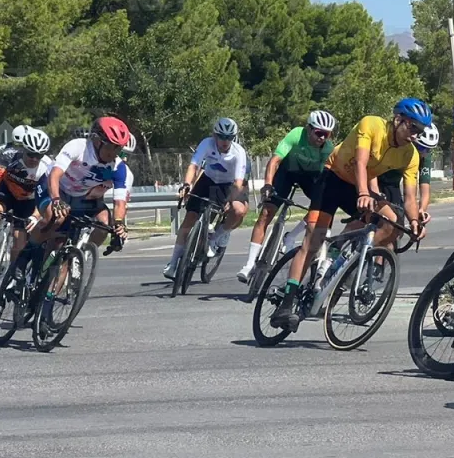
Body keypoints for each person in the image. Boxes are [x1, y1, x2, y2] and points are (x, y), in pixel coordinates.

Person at [270, 97, 432, 331]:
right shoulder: (372, 125)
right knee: (313, 240)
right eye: (413, 127)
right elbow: (360, 163)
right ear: (398, 120)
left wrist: (416, 222)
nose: (416, 135)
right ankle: (285, 304)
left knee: (393, 223)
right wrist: (364, 193)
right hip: (333, 178)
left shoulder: (410, 154)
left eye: (420, 130)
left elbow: (409, 197)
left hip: (360, 186)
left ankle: (348, 262)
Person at [237, 111, 337, 283]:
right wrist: (267, 185)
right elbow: (274, 161)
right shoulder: (296, 134)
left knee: (323, 209)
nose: (322, 138)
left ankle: (291, 236)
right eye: (319, 133)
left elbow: (326, 179)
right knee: (266, 213)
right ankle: (249, 264)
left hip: (311, 176)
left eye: (326, 134)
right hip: (288, 173)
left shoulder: (328, 148)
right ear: (309, 129)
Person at [0, 126, 54, 297]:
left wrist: (35, 217)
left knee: (19, 239)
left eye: (38, 156)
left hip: (29, 202)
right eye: (30, 154)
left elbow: (46, 197)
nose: (34, 159)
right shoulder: (9, 156)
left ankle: (13, 273)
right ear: (23, 149)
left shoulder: (47, 167)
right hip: (7, 192)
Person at [164, 118, 249, 279]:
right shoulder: (207, 143)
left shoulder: (239, 152)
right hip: (208, 179)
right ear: (214, 135)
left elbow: (238, 183)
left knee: (237, 210)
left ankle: (216, 239)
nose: (225, 141)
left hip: (229, 184)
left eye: (229, 137)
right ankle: (173, 263)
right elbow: (194, 166)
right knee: (189, 219)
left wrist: (231, 200)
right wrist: (186, 185)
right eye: (221, 136)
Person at [37, 115, 131, 251]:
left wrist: (118, 224)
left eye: (118, 149)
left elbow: (119, 203)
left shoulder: (118, 167)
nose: (114, 153)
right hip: (52, 187)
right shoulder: (78, 147)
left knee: (103, 225)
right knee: (54, 218)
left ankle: (75, 261)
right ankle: (24, 256)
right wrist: (56, 200)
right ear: (98, 142)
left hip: (77, 197)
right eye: (111, 147)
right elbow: (55, 175)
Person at [377, 121, 438, 218]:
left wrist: (421, 210)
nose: (424, 153)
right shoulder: (401, 149)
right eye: (421, 148)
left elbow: (424, 189)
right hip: (377, 178)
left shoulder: (425, 157)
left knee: (398, 222)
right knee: (373, 216)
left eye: (428, 149)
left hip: (393, 184)